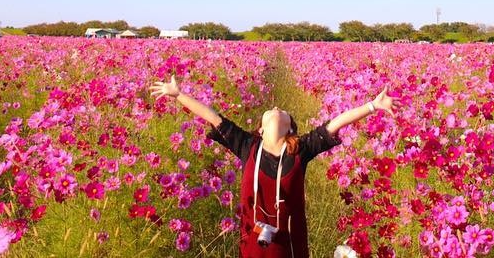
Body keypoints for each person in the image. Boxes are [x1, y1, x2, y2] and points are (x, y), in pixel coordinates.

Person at [149, 74, 394, 257]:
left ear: (290, 128)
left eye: (282, 111)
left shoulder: (300, 149)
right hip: (254, 241)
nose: (276, 109)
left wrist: (373, 106)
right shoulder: (247, 146)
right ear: (261, 129)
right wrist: (177, 94)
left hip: (290, 243)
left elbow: (336, 123)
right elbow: (212, 116)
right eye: (270, 110)